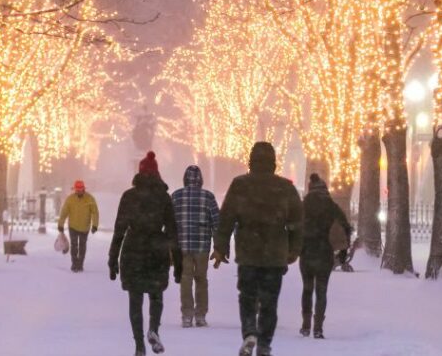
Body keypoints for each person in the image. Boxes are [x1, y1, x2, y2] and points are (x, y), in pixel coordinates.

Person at [212, 142, 303, 356]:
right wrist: (293, 249)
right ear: (273, 162)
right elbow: (297, 222)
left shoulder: (240, 185)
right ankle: (264, 343)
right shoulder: (285, 187)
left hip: (248, 251)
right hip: (275, 253)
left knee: (247, 296)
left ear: (251, 161)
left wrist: (220, 247)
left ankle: (249, 333)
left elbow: (226, 219)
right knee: (270, 301)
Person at [109, 151, 183, 356]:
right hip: (156, 249)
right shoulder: (163, 198)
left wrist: (112, 259)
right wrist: (178, 264)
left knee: (135, 299)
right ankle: (154, 329)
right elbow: (172, 232)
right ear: (157, 173)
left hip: (133, 249)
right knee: (156, 295)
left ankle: (139, 345)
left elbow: (119, 230)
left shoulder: (129, 197)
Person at [299, 173, 352, 339]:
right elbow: (346, 226)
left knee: (307, 289)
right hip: (324, 252)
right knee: (321, 291)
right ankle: (318, 327)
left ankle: (306, 324)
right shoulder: (330, 205)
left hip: (307, 252)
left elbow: (293, 225)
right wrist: (344, 249)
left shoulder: (304, 204)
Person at [172, 164, 220, 328]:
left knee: (186, 280)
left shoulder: (176, 196)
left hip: (183, 245)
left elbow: (170, 223)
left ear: (185, 179)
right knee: (201, 279)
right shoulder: (208, 197)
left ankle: (187, 314)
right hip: (202, 246)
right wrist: (219, 246)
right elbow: (217, 223)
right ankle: (200, 314)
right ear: (201, 180)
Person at [58, 179, 99, 272]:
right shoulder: (70, 199)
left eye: (80, 189)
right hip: (73, 226)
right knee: (74, 245)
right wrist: (60, 224)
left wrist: (95, 225)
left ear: (83, 189)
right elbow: (64, 212)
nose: (78, 191)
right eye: (77, 189)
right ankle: (74, 263)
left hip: (85, 227)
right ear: (75, 189)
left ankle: (80, 264)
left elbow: (95, 212)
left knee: (82, 246)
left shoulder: (90, 199)